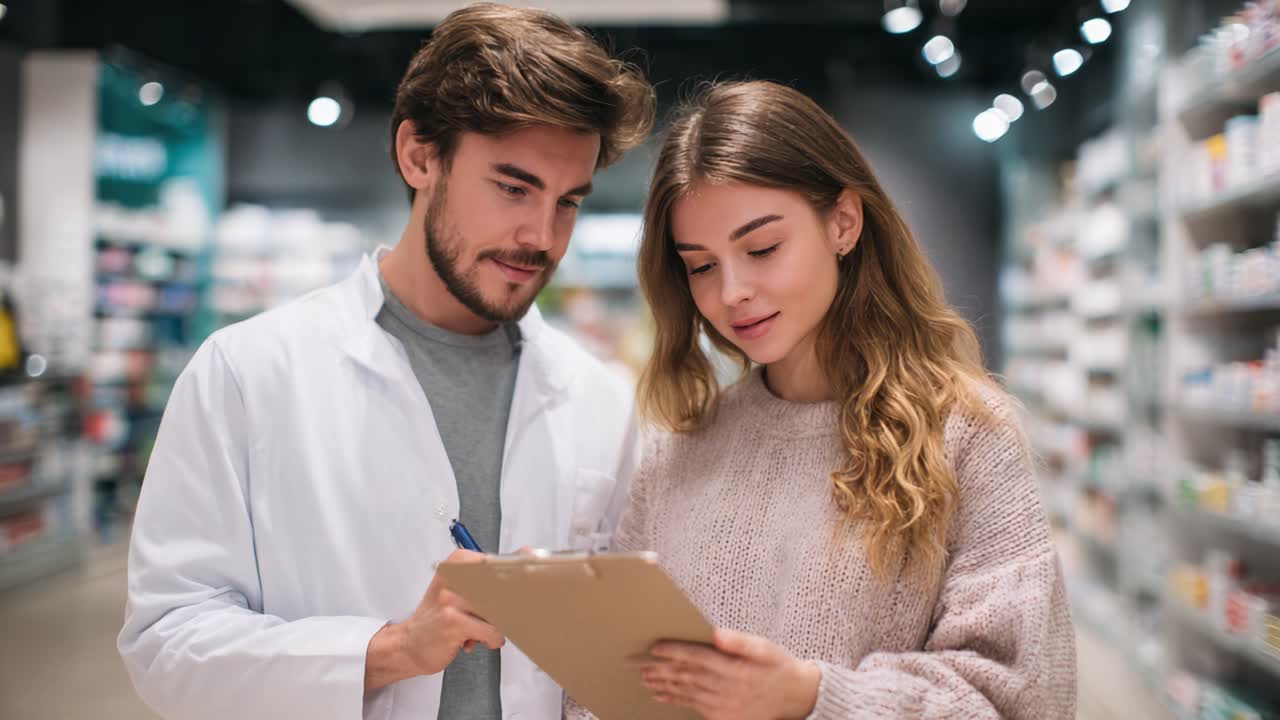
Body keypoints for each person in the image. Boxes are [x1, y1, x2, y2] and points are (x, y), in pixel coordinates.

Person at [117, 5, 654, 720]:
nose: (541, 236)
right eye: (513, 187)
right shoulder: (248, 374)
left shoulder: (598, 399)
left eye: (569, 203)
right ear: (419, 156)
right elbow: (166, 643)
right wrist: (391, 649)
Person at [568, 80, 1076, 720]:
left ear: (843, 222)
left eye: (762, 249)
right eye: (701, 265)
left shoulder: (966, 435)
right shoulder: (680, 450)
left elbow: (1019, 698)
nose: (732, 292)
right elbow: (608, 684)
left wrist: (811, 698)